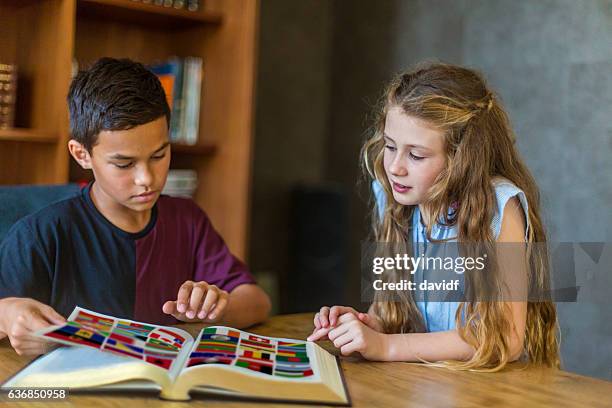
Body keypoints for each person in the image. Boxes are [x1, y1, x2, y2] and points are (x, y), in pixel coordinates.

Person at [0, 57, 271, 356]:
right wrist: (8, 313)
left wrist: (219, 308)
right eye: (124, 163)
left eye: (159, 155)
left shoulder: (187, 220)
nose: (147, 179)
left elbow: (257, 301)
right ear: (82, 155)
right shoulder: (40, 234)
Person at [308, 62, 559, 371]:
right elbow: (400, 317)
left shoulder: (498, 207)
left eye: (416, 155)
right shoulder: (395, 196)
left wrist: (386, 346)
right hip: (422, 386)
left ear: (462, 159)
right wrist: (369, 326)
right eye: (389, 146)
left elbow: (505, 338)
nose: (395, 167)